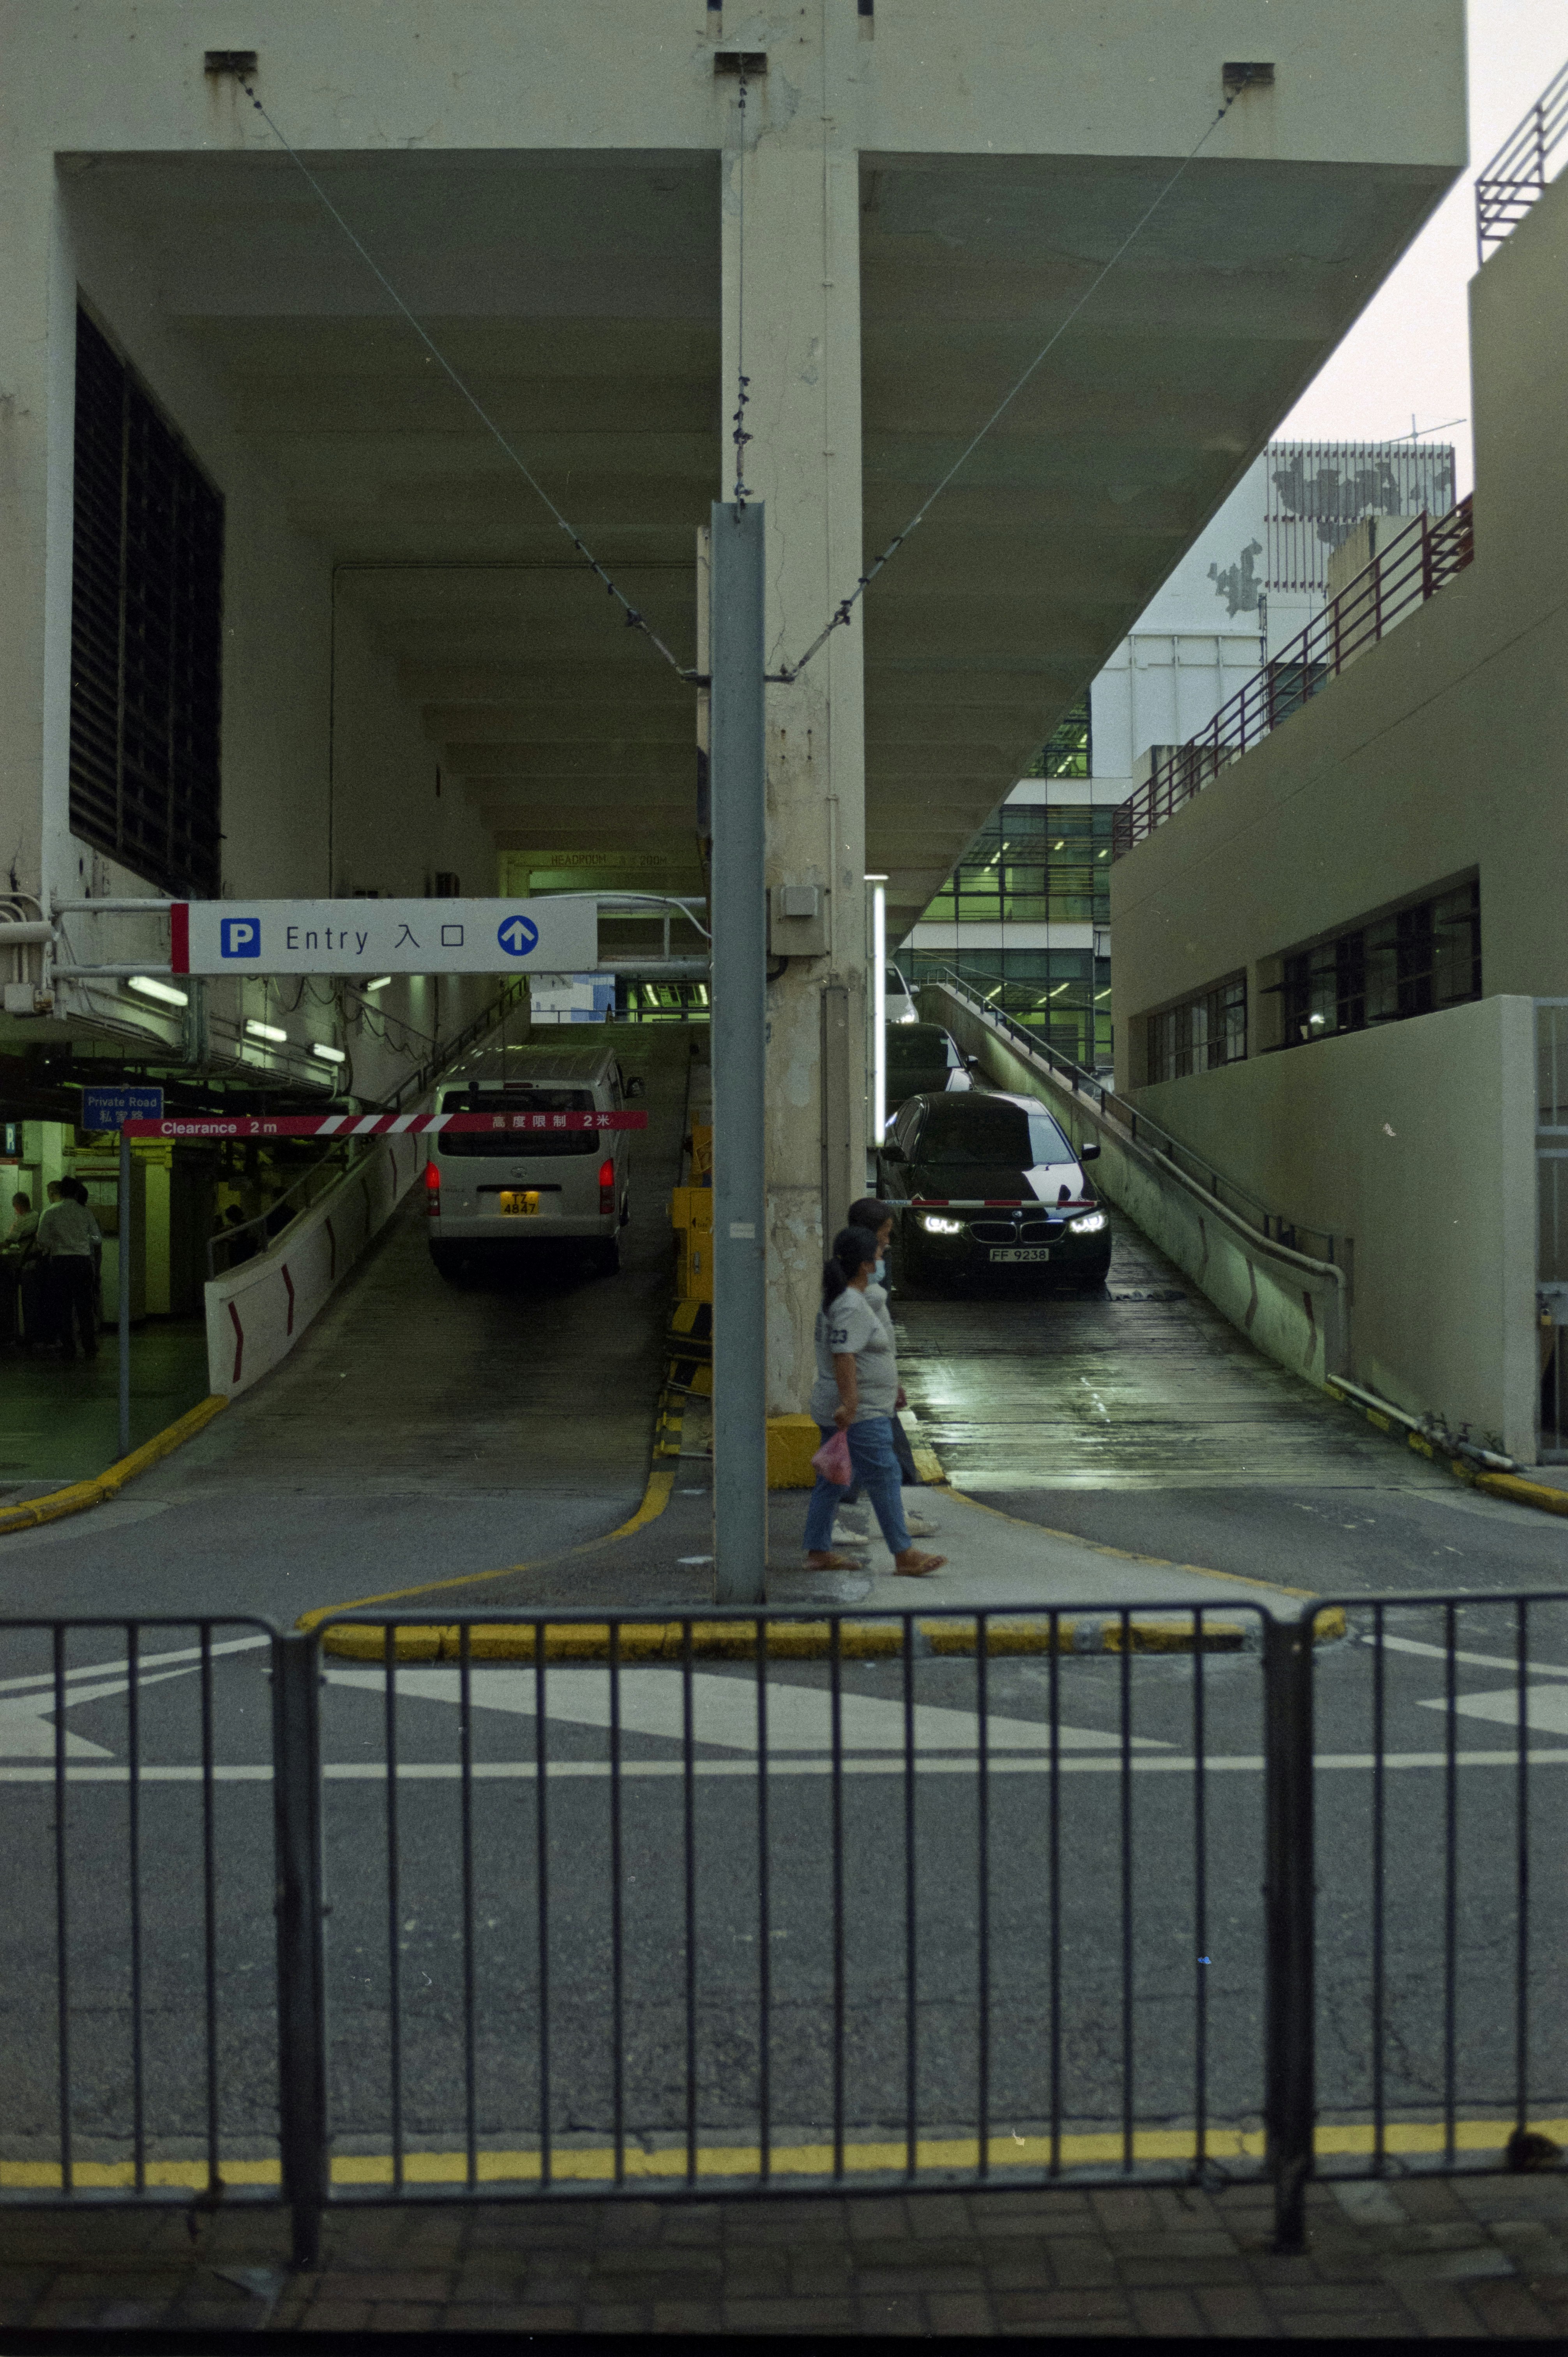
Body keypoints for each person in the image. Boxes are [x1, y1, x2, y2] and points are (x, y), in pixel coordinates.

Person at [804, 1224, 946, 1577]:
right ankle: (904, 1554)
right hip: (861, 1413)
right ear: (866, 1265)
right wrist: (851, 1404)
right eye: (880, 1254)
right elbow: (845, 1355)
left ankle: (819, 1550)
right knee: (884, 1474)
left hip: (849, 1407)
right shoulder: (851, 1304)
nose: (883, 1259)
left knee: (833, 1478)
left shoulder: (840, 1299)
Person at [837, 1195, 940, 1542]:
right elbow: (847, 1352)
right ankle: (899, 1541)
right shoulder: (856, 1298)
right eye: (885, 1234)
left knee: (872, 1464)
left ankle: (838, 1528)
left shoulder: (864, 1290)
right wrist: (852, 1398)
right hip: (866, 1395)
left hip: (873, 1391)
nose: (888, 1243)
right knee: (881, 1465)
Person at [36, 1175, 101, 1361]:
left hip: (60, 1263)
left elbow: (42, 1240)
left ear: (61, 1192)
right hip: (82, 1263)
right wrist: (84, 1239)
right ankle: (89, 1346)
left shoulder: (50, 1212)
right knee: (84, 1307)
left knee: (63, 1307)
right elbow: (97, 1239)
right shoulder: (85, 1212)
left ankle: (68, 1347)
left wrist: (57, 1243)